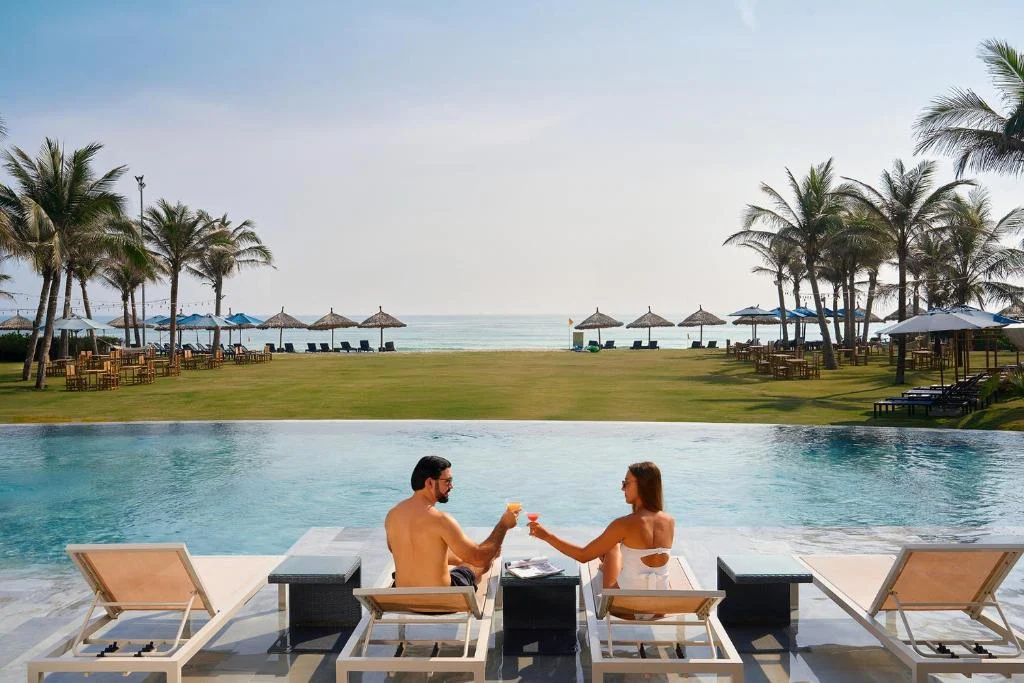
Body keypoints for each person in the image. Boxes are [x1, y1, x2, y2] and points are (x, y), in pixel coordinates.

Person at [529, 461, 674, 590]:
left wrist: (547, 536)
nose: (622, 488)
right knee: (616, 549)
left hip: (626, 605)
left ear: (642, 485)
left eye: (626, 483)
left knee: (612, 547)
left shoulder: (623, 524)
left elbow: (583, 555)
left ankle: (606, 565)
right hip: (660, 604)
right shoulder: (669, 521)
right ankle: (607, 564)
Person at [385, 455, 519, 589]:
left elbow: (396, 549)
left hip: (403, 596)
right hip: (441, 599)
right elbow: (479, 559)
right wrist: (503, 525)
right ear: (430, 483)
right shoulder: (441, 520)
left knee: (465, 559)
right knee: (477, 565)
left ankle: (467, 558)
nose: (451, 486)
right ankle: (486, 556)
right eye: (447, 481)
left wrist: (459, 558)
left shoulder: (392, 515)